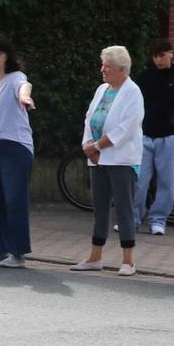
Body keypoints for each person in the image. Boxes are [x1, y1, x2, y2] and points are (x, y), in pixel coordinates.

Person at [69, 45, 144, 276]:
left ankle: (128, 260)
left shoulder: (133, 92)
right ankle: (95, 257)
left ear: (122, 69)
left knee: (124, 208)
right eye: (102, 65)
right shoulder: (102, 89)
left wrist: (97, 146)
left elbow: (127, 127)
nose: (102, 69)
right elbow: (89, 118)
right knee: (99, 209)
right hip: (98, 158)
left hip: (121, 159)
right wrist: (87, 145)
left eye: (107, 66)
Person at [0, 31, 36, 267]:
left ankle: (18, 253)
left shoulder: (16, 77)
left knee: (14, 200)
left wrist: (25, 98)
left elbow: (24, 87)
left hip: (15, 147)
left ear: (7, 55)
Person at [134, 40, 174, 234]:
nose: (158, 60)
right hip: (145, 135)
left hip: (169, 137)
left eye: (161, 55)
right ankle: (133, 219)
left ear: (170, 54)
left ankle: (158, 220)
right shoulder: (145, 77)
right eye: (155, 56)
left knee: (166, 182)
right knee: (139, 180)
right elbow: (134, 103)